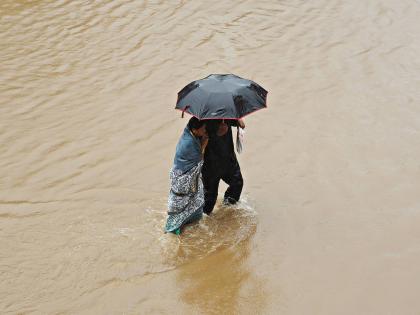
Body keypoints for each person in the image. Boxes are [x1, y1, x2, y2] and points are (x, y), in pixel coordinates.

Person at [165, 117, 208, 235]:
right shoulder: (188, 144)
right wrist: (204, 144)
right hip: (183, 180)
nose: (205, 131)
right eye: (203, 128)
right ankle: (175, 229)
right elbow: (199, 161)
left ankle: (187, 223)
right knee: (181, 204)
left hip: (181, 175)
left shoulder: (189, 133)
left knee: (194, 203)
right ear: (195, 130)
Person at [202, 118, 245, 215]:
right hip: (210, 164)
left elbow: (237, 122)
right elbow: (197, 136)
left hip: (229, 159)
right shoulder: (203, 118)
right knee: (209, 199)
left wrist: (238, 121)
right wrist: (216, 133)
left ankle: (226, 210)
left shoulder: (227, 112)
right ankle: (201, 224)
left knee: (237, 183)